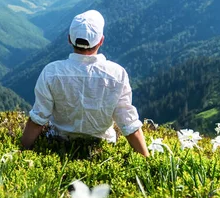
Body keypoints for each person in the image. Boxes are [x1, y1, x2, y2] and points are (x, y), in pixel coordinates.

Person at [21, 10, 150, 157]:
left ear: (69, 39)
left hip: (58, 145)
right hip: (102, 148)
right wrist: (147, 160)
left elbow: (38, 119)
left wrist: (22, 151)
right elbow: (128, 123)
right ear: (101, 40)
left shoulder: (52, 72)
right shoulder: (116, 74)